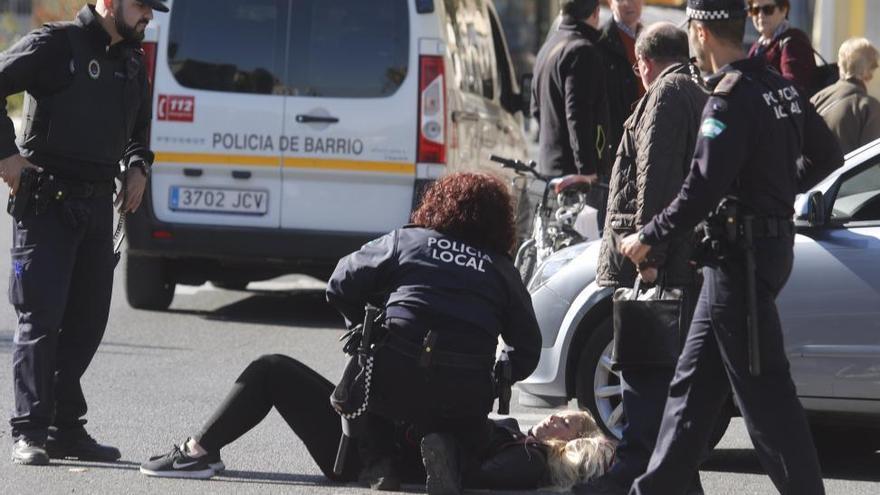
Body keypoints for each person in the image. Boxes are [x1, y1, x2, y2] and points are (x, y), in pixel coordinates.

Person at [618, 1, 844, 494]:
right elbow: (829, 154)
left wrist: (648, 235)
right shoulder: (777, 85)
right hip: (750, 254)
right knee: (690, 396)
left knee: (767, 404)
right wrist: (779, 193)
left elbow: (700, 189)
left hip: (739, 260)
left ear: (700, 31)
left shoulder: (729, 97)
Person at [0, 0, 166, 466]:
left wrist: (138, 165)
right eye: (140, 7)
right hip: (45, 199)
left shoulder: (131, 61)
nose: (148, 16)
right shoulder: (54, 44)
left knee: (88, 322)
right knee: (41, 318)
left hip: (96, 204)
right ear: (109, 3)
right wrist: (6, 157)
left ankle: (64, 428)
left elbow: (138, 126)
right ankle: (30, 430)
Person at [323, 172, 543, 494]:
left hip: (393, 381)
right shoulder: (501, 269)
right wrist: (497, 378)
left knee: (377, 373)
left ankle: (381, 465)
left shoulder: (407, 240)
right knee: (471, 427)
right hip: (463, 393)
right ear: (500, 222)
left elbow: (340, 283)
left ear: (438, 204)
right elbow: (527, 348)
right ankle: (452, 455)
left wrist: (365, 328)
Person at [588, 22, 709, 495]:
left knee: (645, 369)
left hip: (661, 261)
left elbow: (655, 181)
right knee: (666, 378)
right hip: (684, 259)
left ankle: (638, 469)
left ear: (644, 62)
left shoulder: (665, 95)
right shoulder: (695, 92)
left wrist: (648, 258)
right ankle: (672, 478)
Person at [531, 0, 609, 181]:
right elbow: (577, 114)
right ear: (596, 12)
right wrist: (587, 170)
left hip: (548, 167)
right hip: (575, 176)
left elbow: (535, 108)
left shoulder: (548, 46)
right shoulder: (582, 51)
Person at [811, 38, 880, 155]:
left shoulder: (817, 98)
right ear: (869, 73)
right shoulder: (869, 107)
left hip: (815, 172)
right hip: (851, 173)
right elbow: (872, 161)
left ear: (840, 65)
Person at [598, 0, 646, 160]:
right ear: (610, 3)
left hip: (647, 137)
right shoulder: (600, 42)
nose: (628, 3)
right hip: (617, 144)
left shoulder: (652, 39)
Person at [747, 0, 817, 93]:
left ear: (783, 10)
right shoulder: (757, 46)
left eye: (768, 9)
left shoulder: (794, 41)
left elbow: (793, 86)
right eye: (755, 10)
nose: (760, 15)